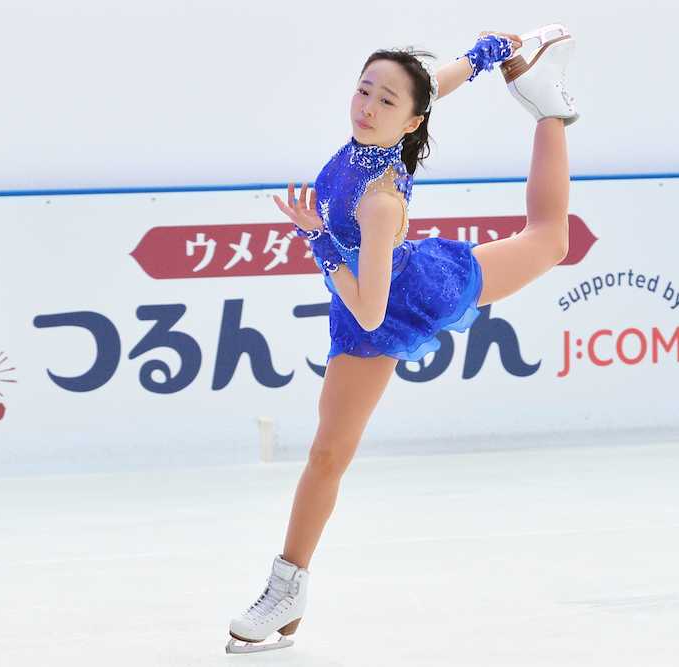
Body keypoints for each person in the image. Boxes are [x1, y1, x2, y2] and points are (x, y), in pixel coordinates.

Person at [226, 24, 579, 655]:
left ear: (410, 122)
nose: (367, 106)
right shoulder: (378, 132)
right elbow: (427, 88)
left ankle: (550, 109)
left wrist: (316, 239)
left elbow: (370, 314)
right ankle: (288, 589)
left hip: (402, 298)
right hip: (365, 289)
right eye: (364, 89)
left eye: (384, 100)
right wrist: (482, 56)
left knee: (551, 239)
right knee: (328, 454)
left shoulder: (382, 201)